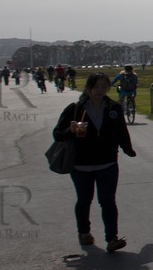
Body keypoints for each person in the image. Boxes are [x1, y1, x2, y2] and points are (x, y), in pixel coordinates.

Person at [52, 72, 137, 251]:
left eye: (104, 87)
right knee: (84, 200)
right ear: (88, 88)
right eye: (96, 87)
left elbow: (122, 132)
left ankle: (112, 239)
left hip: (107, 163)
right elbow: (57, 134)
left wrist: (128, 150)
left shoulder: (114, 108)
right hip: (81, 165)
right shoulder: (75, 109)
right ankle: (84, 233)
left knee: (108, 201)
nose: (100, 90)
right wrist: (71, 130)